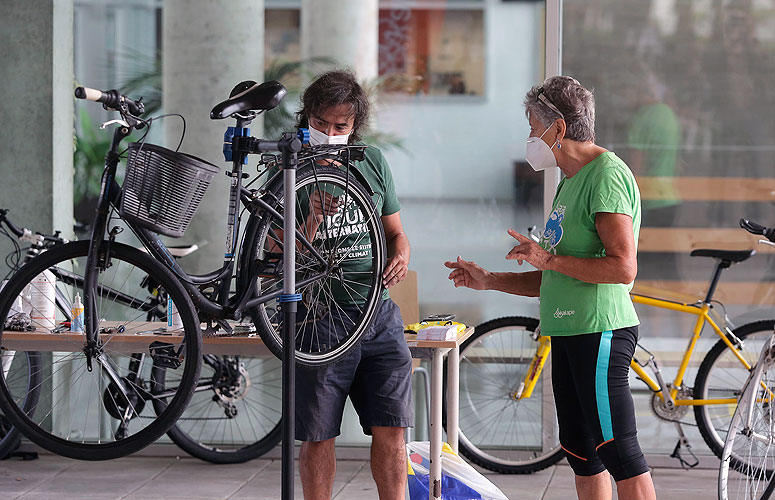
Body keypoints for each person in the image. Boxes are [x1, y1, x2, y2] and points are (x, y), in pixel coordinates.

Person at [445, 76, 657, 500]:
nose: (529, 137)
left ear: (557, 129)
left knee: (619, 453)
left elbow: (622, 267)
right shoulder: (569, 181)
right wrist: (489, 280)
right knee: (582, 454)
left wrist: (550, 259)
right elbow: (554, 276)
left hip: (600, 331)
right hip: (566, 331)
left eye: (532, 127)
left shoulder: (606, 175)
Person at [293, 70, 413, 500]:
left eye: (340, 127)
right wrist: (313, 218)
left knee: (393, 428)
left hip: (377, 314)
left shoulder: (372, 161)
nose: (329, 133)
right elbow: (275, 256)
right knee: (318, 433)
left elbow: (397, 233)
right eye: (321, 123)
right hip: (320, 319)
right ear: (307, 117)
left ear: (354, 127)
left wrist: (400, 255)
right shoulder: (290, 166)